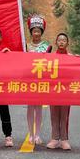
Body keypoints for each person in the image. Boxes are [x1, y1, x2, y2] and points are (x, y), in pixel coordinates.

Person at [26, 14, 50, 145]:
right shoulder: (26, 46)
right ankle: (30, 134)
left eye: (38, 31)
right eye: (34, 30)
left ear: (41, 32)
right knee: (30, 107)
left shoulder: (47, 46)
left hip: (41, 79)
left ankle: (38, 135)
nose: (36, 33)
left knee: (39, 108)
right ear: (31, 32)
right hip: (29, 80)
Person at [47, 33, 71, 150]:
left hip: (66, 90)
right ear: (56, 42)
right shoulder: (50, 57)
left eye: (64, 40)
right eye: (59, 40)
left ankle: (64, 139)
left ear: (67, 43)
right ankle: (54, 139)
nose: (61, 42)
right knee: (54, 115)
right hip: (53, 90)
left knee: (64, 115)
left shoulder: (71, 57)